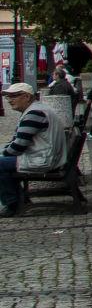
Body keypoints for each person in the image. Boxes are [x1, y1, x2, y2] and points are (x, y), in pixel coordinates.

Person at [1, 82, 60, 217]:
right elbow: (17, 142)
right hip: (46, 155)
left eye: (13, 96)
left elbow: (18, 147)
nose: (9, 100)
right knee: (3, 160)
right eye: (7, 97)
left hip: (42, 159)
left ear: (27, 97)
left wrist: (3, 154)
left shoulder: (34, 114)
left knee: (1, 163)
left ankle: (13, 204)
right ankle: (20, 199)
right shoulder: (36, 109)